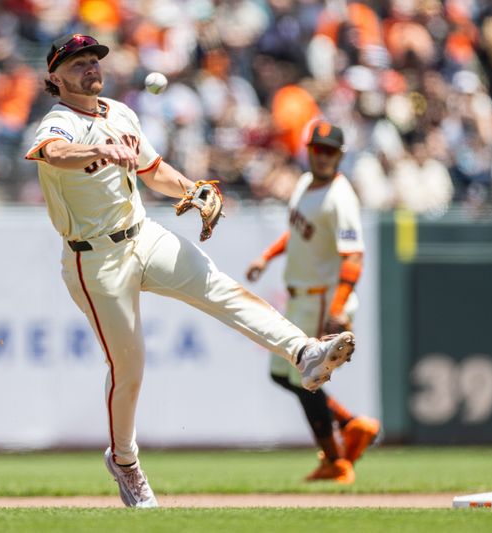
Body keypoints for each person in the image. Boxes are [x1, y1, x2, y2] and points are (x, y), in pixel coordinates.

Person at [24, 34, 356, 508]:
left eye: (94, 59)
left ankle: (303, 351)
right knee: (129, 367)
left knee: (218, 287)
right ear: (55, 76)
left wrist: (191, 188)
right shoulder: (59, 121)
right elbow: (52, 153)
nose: (91, 67)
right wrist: (101, 154)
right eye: (77, 62)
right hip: (93, 258)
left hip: (141, 233)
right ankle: (124, 460)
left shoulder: (120, 112)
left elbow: (153, 169)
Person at [246, 122, 380, 484]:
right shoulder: (306, 184)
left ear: (340, 155)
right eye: (317, 149)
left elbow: (353, 257)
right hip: (299, 297)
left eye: (329, 151)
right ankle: (351, 425)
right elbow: (298, 231)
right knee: (280, 375)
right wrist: (267, 256)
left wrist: (338, 307)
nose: (322, 156)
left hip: (321, 298)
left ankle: (336, 462)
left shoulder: (341, 197)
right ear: (309, 150)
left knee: (303, 379)